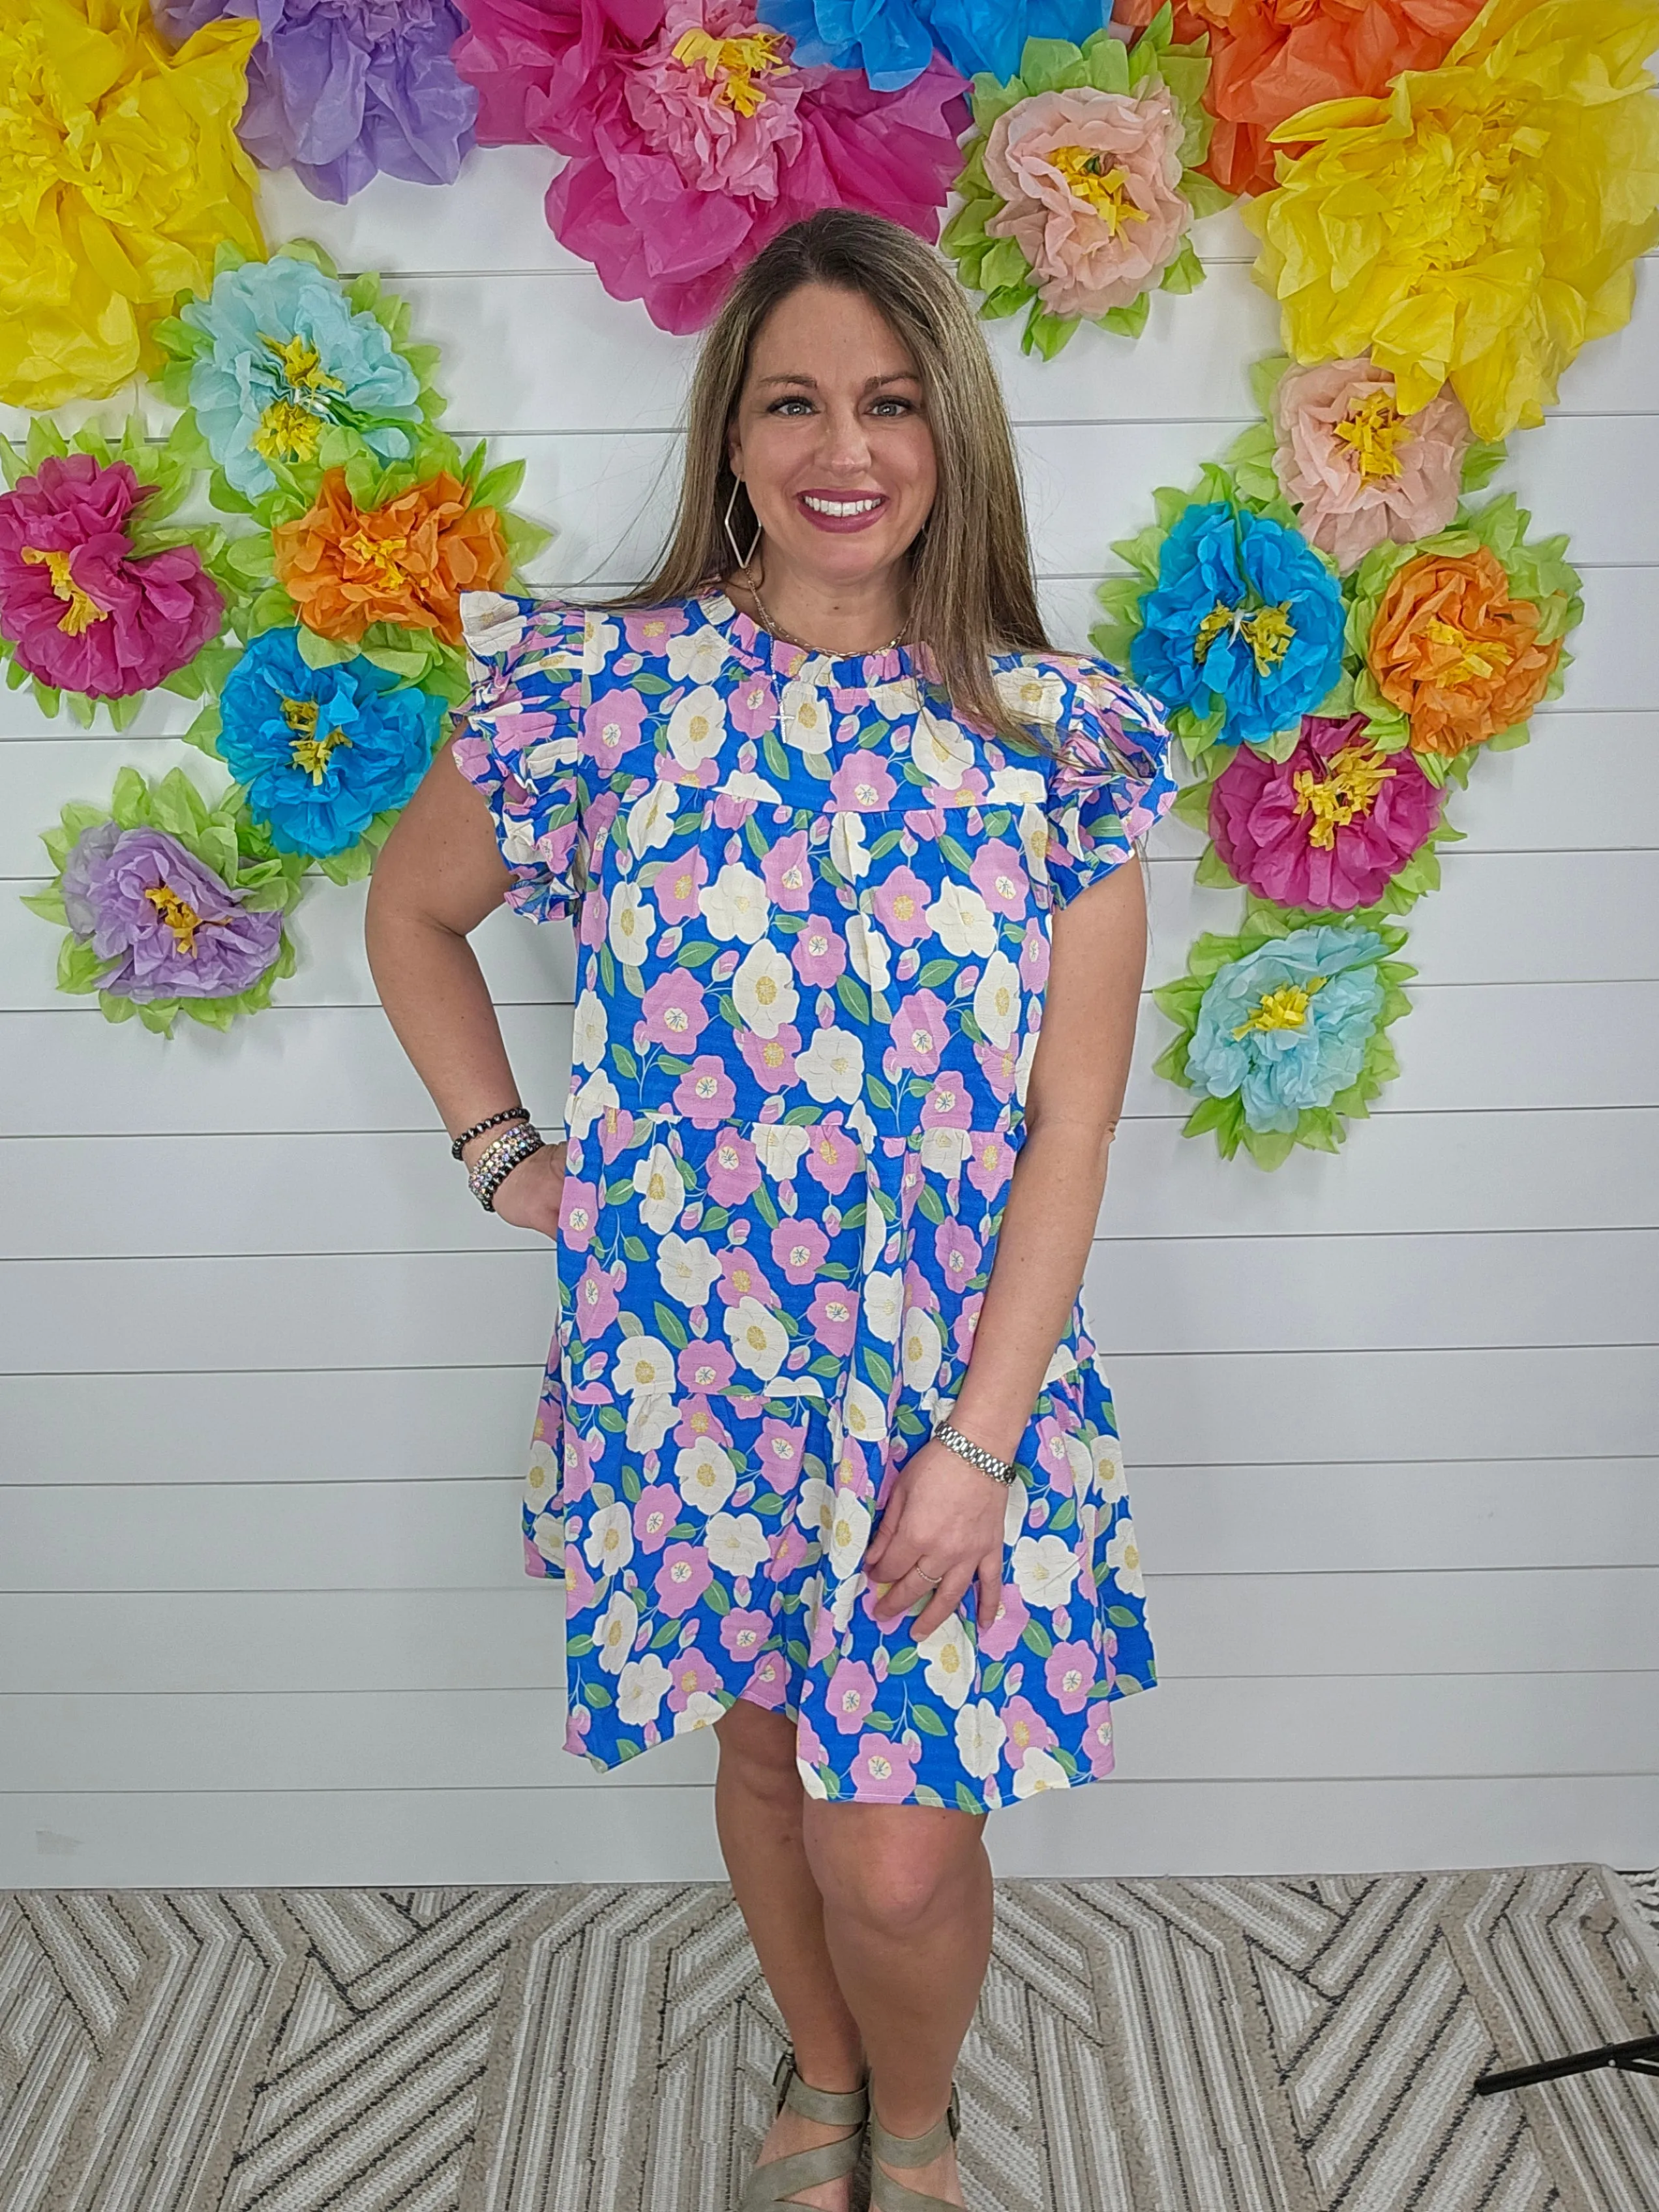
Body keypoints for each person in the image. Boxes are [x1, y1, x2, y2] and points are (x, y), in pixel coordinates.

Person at [366, 207, 1176, 2212]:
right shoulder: (605, 700)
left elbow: (1073, 1128)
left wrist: (979, 1448)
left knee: (894, 1832)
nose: (847, 445)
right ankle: (819, 2075)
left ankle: (917, 2119)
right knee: (759, 1755)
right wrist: (512, 1161)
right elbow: (413, 911)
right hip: (697, 1358)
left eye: (894, 402)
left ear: (953, 434)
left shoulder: (1054, 741)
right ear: (732, 431)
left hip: (948, 1373)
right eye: (797, 397)